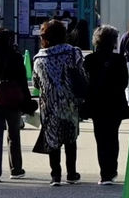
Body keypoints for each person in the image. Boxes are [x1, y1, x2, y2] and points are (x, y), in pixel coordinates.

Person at [33, 19, 88, 186]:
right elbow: (82, 74)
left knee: (52, 138)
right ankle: (71, 173)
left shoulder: (39, 58)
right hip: (70, 101)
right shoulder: (73, 52)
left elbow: (36, 83)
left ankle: (55, 175)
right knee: (70, 138)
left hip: (48, 103)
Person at [0, 28, 36, 182]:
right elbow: (22, 82)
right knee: (13, 136)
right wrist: (27, 102)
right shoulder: (15, 57)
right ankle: (16, 169)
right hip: (13, 99)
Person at [84, 25, 129, 185]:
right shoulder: (119, 59)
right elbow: (124, 82)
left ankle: (104, 173)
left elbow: (86, 83)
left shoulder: (89, 60)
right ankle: (112, 170)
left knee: (101, 137)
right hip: (115, 103)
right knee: (113, 136)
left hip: (97, 103)